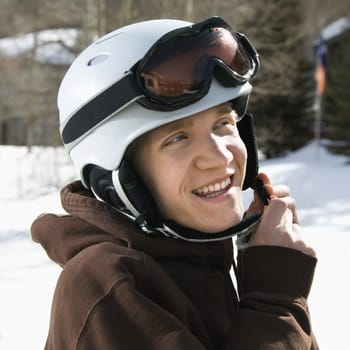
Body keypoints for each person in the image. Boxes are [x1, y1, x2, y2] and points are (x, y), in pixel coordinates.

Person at [31, 17, 318, 349]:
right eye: (177, 138)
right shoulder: (107, 284)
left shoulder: (200, 259)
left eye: (223, 122)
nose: (219, 157)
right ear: (119, 178)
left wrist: (269, 279)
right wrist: (275, 298)